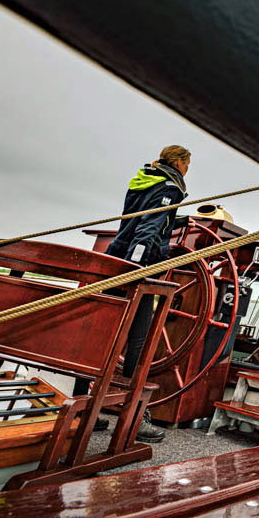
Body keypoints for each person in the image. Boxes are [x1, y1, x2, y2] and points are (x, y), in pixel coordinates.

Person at [102, 145, 191, 443]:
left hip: (115, 257)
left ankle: (83, 408)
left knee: (105, 335)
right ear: (179, 162)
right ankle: (135, 419)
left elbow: (141, 218)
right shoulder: (171, 187)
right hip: (138, 267)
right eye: (187, 165)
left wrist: (177, 221)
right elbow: (148, 229)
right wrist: (137, 269)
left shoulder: (143, 179)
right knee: (138, 341)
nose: (187, 170)